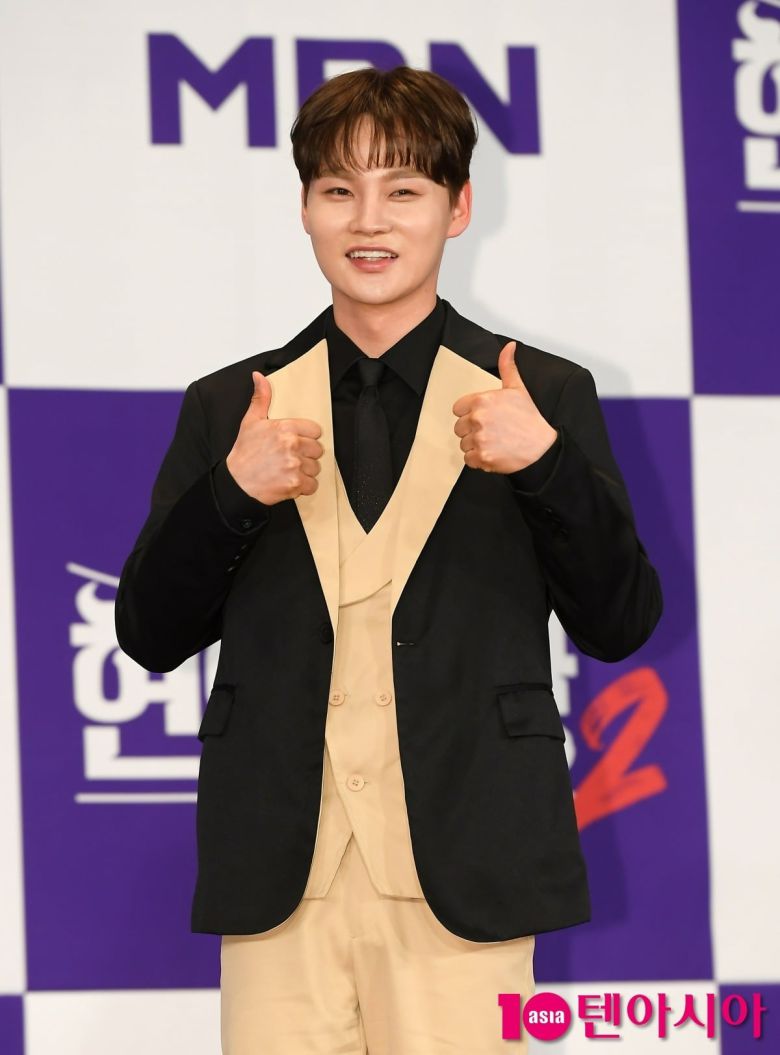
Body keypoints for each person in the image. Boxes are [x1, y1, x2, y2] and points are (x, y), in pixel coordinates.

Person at [115, 65, 662, 1055]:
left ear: (458, 208)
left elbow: (620, 620)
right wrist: (232, 490)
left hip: (467, 868)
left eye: (403, 188)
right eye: (340, 189)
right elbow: (149, 633)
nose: (369, 220)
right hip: (281, 878)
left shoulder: (540, 394)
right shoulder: (232, 404)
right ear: (306, 209)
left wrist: (544, 464)